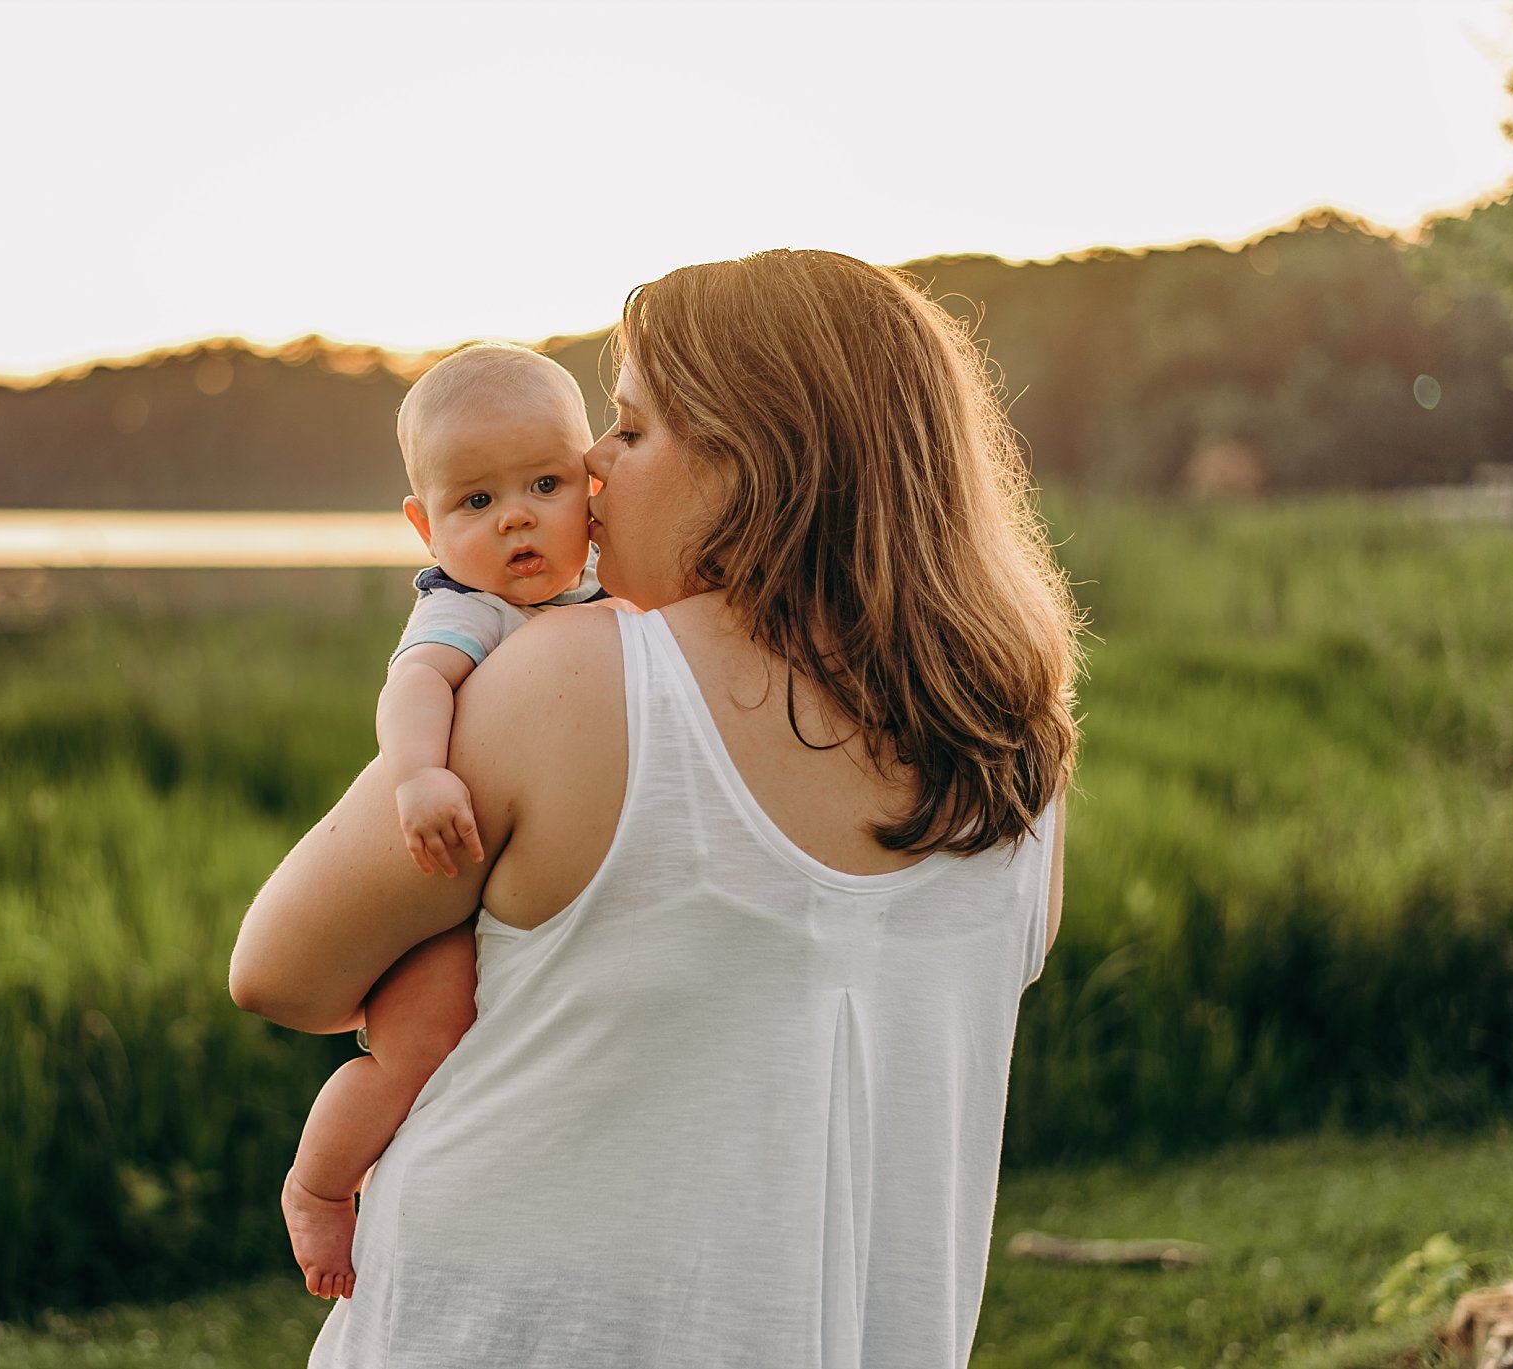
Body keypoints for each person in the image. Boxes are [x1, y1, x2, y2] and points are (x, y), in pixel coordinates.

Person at [231, 249, 1080, 1367]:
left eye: (629, 429)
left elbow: (277, 967)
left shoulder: (575, 675)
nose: (586, 459)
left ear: (748, 462)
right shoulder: (1016, 749)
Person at [281, 342, 608, 1300]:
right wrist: (419, 775)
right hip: (446, 886)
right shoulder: (470, 612)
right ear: (426, 527)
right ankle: (319, 1185)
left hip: (527, 884)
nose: (515, 515)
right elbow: (413, 686)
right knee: (415, 1045)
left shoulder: (599, 589)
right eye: (475, 502)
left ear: (591, 483)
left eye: (545, 483)